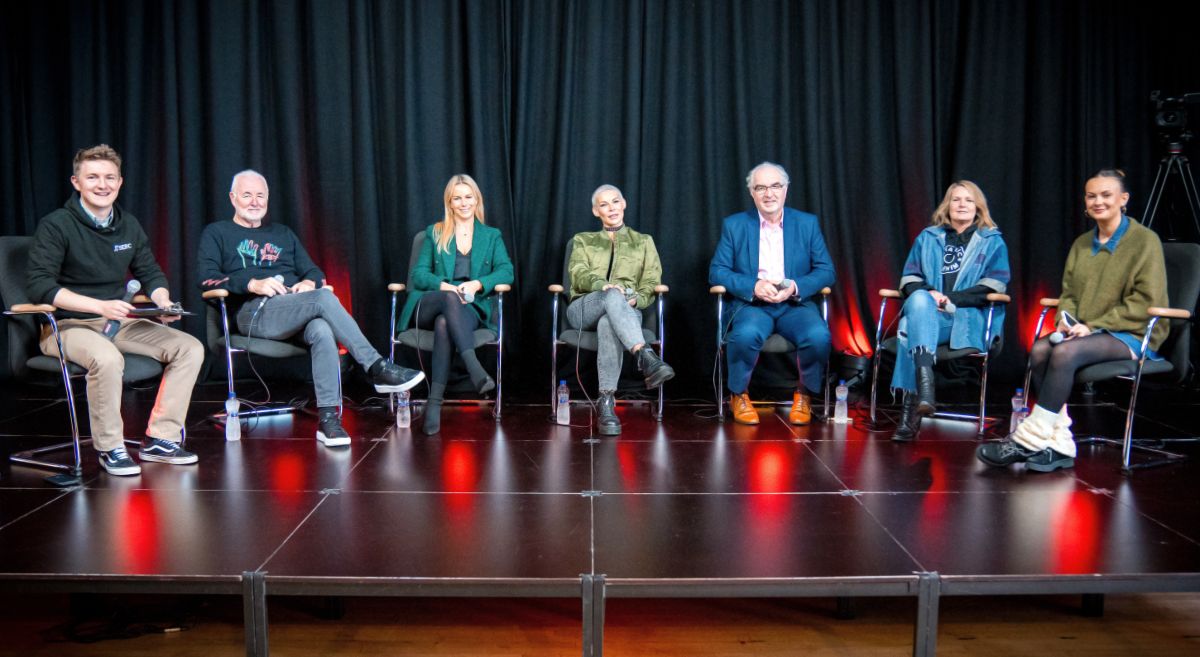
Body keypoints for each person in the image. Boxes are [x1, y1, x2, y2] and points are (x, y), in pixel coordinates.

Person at [197, 170, 424, 447]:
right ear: (233, 198)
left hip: (292, 309)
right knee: (323, 300)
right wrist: (253, 283)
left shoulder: (282, 233)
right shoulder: (217, 233)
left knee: (321, 328)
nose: (254, 202)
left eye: (260, 196)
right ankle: (377, 366)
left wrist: (307, 283)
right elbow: (206, 278)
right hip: (252, 313)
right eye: (247, 195)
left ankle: (329, 419)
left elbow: (314, 271)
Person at [26, 144, 203, 476]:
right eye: (92, 177)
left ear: (120, 182)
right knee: (107, 358)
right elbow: (40, 287)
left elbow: (150, 272)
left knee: (189, 348)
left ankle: (161, 440)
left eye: (109, 177)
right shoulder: (56, 225)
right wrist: (99, 306)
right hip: (67, 325)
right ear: (76, 182)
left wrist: (162, 301)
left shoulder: (128, 225)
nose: (102, 184)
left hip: (118, 323)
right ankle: (110, 448)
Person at [978, 169, 1168, 472]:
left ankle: (1028, 438)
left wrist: (1092, 326)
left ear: (1123, 199)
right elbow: (1069, 294)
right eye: (1091, 195)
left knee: (1066, 352)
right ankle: (1060, 444)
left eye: (1106, 195)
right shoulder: (1082, 243)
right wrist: (1066, 321)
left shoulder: (1145, 241)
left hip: (1132, 333)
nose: (1098, 201)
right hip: (1085, 332)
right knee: (1041, 349)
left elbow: (1146, 302)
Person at [709, 162, 835, 425]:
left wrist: (795, 286)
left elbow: (826, 271)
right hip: (753, 305)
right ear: (752, 193)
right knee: (744, 335)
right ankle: (738, 395)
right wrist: (753, 285)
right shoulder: (735, 226)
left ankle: (804, 394)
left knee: (818, 335)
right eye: (761, 187)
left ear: (785, 190)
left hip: (794, 304)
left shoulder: (806, 223)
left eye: (775, 186)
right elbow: (717, 272)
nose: (769, 193)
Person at [889, 181, 1010, 442]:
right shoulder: (928, 237)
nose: (962, 204)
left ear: (978, 206)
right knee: (920, 301)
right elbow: (909, 278)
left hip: (964, 319)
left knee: (910, 329)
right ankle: (925, 386)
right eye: (956, 199)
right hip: (929, 313)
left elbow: (993, 286)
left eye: (968, 200)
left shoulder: (992, 242)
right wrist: (931, 296)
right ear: (948, 205)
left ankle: (911, 415)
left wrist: (949, 298)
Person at [395, 174, 514, 435]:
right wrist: (445, 286)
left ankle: (434, 402)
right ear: (449, 203)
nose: (463, 203)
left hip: (469, 306)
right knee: (446, 304)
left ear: (476, 200)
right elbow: (419, 274)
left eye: (468, 197)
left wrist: (478, 284)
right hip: (429, 303)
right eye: (457, 198)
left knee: (444, 322)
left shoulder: (491, 236)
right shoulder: (436, 232)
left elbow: (507, 272)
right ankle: (474, 367)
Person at [563, 184, 674, 436]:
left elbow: (650, 282)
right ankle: (645, 356)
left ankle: (606, 403)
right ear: (595, 211)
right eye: (604, 204)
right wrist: (604, 286)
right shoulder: (583, 240)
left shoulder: (643, 242)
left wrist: (637, 299)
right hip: (585, 307)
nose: (611, 208)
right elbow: (578, 275)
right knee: (610, 296)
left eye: (615, 202)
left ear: (624, 204)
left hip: (626, 309)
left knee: (608, 323)